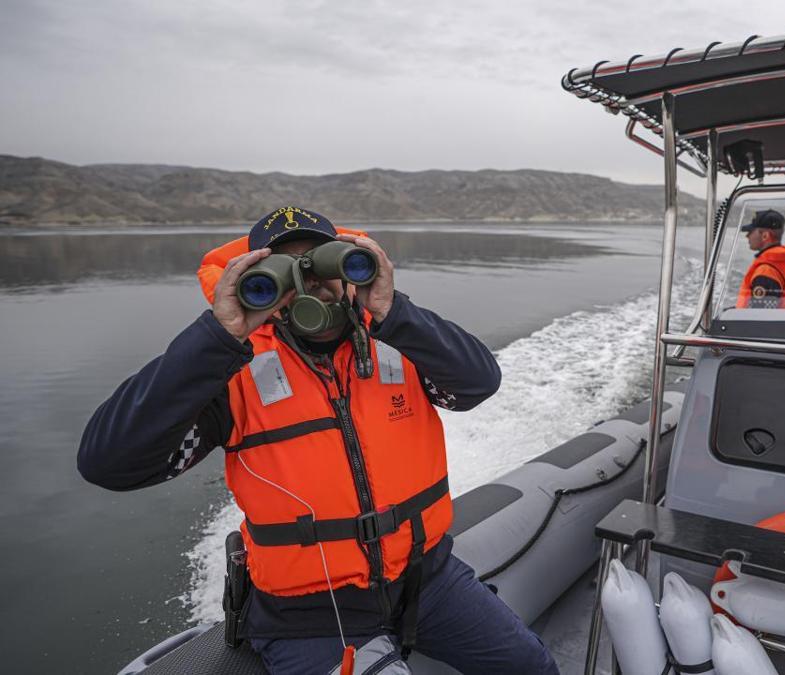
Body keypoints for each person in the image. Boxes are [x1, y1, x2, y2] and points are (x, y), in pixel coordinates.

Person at [78, 207, 559, 675]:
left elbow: (478, 383)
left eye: (323, 263)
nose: (310, 282)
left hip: (426, 582)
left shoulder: (399, 340)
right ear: (260, 284)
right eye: (285, 273)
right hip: (307, 617)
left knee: (532, 665)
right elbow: (110, 463)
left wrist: (393, 310)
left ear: (350, 270)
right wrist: (216, 337)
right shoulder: (231, 374)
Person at [735, 209, 785, 309]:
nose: (747, 236)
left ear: (765, 236)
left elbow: (760, 317)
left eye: (751, 232)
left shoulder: (766, 272)